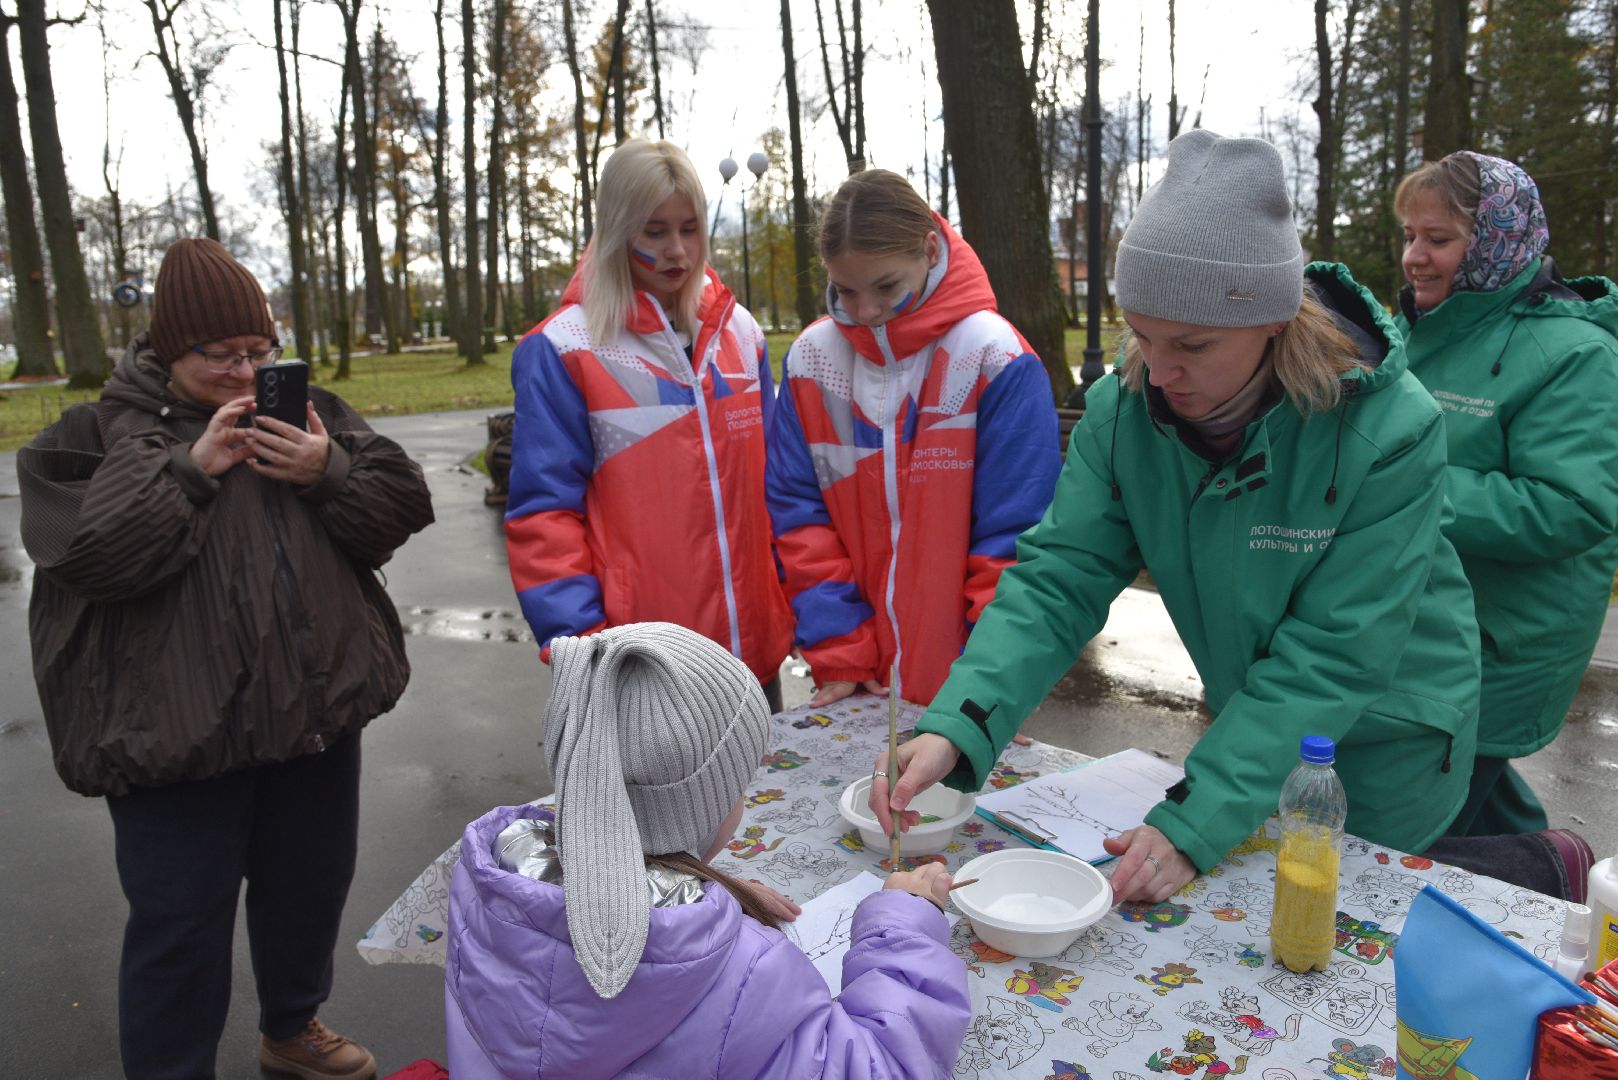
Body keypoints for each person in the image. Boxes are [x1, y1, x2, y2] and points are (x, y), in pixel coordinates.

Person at [870, 130, 1484, 904]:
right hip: (1256, 736)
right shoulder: (1125, 412)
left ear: (1272, 322)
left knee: (1336, 947)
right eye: (1142, 333)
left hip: (1385, 743)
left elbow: (1335, 654)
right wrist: (959, 721)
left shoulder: (1390, 432)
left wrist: (1199, 819)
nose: (1159, 372)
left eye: (1191, 343)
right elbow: (1061, 576)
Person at [18, 238, 434, 1079]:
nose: (246, 372)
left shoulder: (306, 412)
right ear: (173, 350)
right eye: (222, 355)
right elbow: (92, 556)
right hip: (174, 737)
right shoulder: (95, 434)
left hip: (313, 717)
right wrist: (189, 470)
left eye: (259, 351)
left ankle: (292, 1030)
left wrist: (328, 469)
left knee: (307, 892)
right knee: (179, 926)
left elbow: (400, 505)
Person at [445, 622, 972, 1078]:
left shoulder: (489, 878)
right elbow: (885, 1067)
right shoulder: (740, 974)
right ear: (700, 807)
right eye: (737, 786)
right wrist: (905, 928)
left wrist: (710, 890)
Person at [504, 139, 792, 710]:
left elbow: (781, 493)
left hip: (753, 659)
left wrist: (799, 609)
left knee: (768, 801)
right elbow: (544, 518)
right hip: (645, 670)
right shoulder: (565, 348)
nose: (678, 250)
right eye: (655, 231)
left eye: (690, 228)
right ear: (618, 230)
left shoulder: (741, 336)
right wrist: (587, 653)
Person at [766, 168, 1061, 711]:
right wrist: (841, 652)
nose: (865, 312)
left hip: (967, 689)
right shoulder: (812, 363)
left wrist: (988, 687)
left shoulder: (992, 357)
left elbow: (1017, 541)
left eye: (886, 287)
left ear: (929, 250)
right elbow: (800, 522)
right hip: (852, 683)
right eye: (845, 290)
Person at [1394, 151, 1618, 837]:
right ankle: (1555, 876)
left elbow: (1574, 506)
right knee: (1470, 796)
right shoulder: (1421, 329)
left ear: (1496, 238)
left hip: (1505, 635)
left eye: (1439, 239)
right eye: (1409, 235)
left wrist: (1405, 490)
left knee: (1422, 816)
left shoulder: (1574, 354)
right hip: (1433, 621)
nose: (1414, 257)